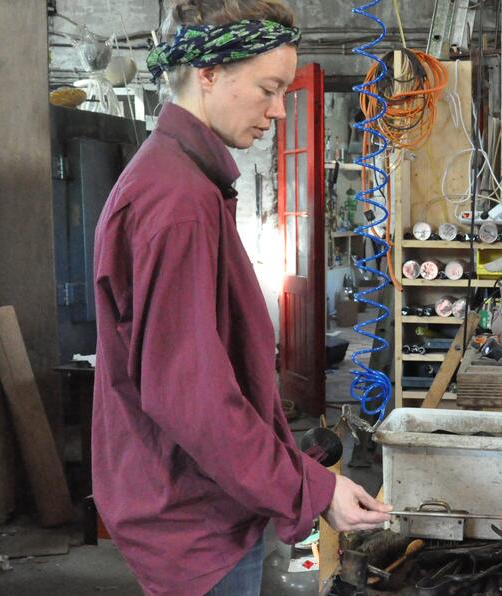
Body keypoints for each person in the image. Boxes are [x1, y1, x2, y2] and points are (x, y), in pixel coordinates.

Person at [92, 1, 389, 594]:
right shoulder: (176, 201)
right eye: (268, 89)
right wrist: (311, 488)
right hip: (194, 514)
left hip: (205, 498)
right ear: (208, 74)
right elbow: (193, 396)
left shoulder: (186, 181)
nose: (279, 110)